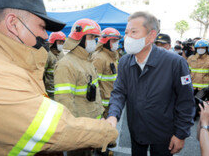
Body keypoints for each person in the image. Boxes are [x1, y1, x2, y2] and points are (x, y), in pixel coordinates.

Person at [0, 0, 118, 155]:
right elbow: (53, 129)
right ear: (13, 24)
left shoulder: (5, 62)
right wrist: (106, 132)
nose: (45, 35)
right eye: (41, 27)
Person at [106, 11, 196, 156]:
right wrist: (113, 115)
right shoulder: (124, 61)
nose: (127, 37)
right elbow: (119, 92)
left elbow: (185, 101)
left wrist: (180, 134)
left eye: (134, 32)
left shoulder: (174, 63)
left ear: (151, 36)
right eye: (127, 32)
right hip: (137, 131)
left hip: (164, 134)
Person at [54, 18, 105, 156]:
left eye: (95, 38)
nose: (94, 41)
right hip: (79, 132)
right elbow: (64, 102)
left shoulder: (87, 61)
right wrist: (76, 132)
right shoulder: (67, 64)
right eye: (91, 37)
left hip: (90, 125)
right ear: (80, 38)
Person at [92, 27, 122, 118]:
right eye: (113, 40)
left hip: (111, 102)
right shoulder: (99, 58)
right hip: (103, 106)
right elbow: (94, 84)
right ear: (106, 41)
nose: (116, 43)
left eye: (117, 40)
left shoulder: (113, 56)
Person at [43, 31, 66, 99]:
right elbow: (41, 74)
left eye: (62, 42)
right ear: (53, 42)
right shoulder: (47, 55)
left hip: (61, 90)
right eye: (59, 42)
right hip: (50, 92)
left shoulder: (61, 54)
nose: (61, 44)